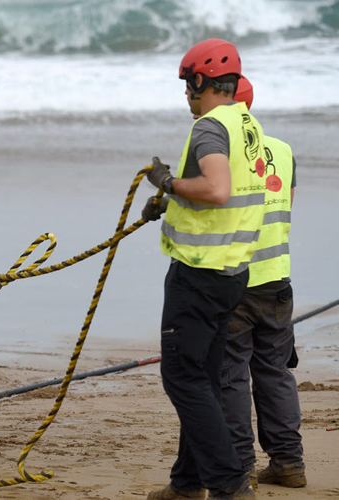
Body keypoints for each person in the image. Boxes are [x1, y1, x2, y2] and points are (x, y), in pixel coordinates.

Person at [142, 39, 266, 500]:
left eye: (186, 84)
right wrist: (171, 197)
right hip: (233, 273)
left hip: (200, 273)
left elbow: (216, 189)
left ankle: (229, 484)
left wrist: (168, 181)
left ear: (199, 81)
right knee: (205, 377)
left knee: (183, 378)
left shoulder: (210, 128)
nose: (186, 95)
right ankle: (187, 483)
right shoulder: (246, 123)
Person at [219, 77, 306, 488]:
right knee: (274, 373)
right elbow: (286, 204)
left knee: (231, 376)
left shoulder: (220, 154)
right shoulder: (284, 151)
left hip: (234, 281)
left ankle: (239, 469)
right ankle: (289, 464)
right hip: (277, 280)